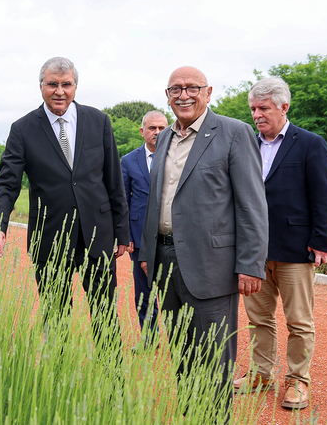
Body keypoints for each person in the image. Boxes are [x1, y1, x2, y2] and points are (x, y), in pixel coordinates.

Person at [138, 66, 268, 418]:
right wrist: (148, 252)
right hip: (165, 261)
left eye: (192, 88)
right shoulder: (164, 138)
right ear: (167, 96)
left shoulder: (234, 132)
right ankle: (191, 416)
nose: (184, 95)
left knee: (213, 357)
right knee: (182, 354)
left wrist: (251, 263)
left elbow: (252, 204)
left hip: (212, 266)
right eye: (176, 89)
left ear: (208, 93)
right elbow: (156, 200)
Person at [0, 56, 129, 354]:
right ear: (41, 86)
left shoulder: (98, 121)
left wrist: (122, 231)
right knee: (56, 316)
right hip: (50, 238)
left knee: (105, 315)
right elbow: (7, 183)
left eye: (67, 84)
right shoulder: (23, 129)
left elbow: (113, 179)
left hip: (97, 235)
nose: (60, 91)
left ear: (75, 86)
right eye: (52, 84)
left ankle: (112, 379)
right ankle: (60, 374)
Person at [233, 77, 327, 410]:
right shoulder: (246, 144)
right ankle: (261, 374)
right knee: (258, 319)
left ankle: (298, 381)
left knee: (299, 322)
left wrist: (321, 240)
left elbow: (323, 195)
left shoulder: (309, 143)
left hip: (295, 249)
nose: (257, 115)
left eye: (263, 108)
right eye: (253, 109)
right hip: (253, 251)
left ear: (284, 107)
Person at [121, 110, 167, 341]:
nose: (157, 132)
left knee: (172, 290)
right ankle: (149, 338)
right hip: (140, 237)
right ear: (142, 131)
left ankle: (181, 341)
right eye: (152, 128)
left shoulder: (177, 156)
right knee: (144, 291)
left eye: (161, 128)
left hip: (171, 236)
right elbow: (123, 201)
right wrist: (126, 235)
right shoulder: (128, 161)